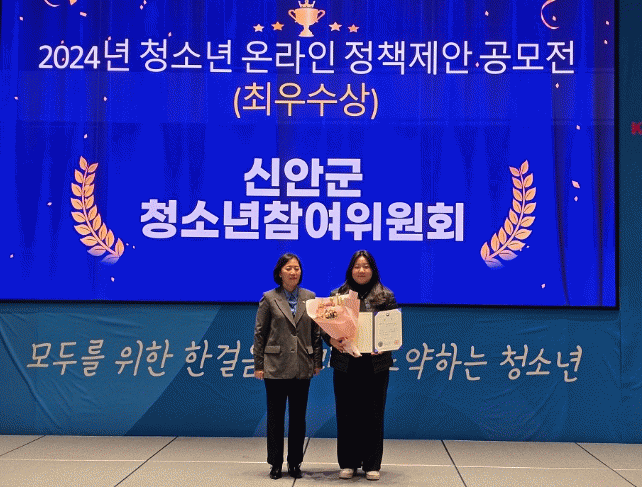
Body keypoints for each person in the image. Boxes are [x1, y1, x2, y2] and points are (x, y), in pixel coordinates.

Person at [324, 250, 397, 482]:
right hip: (346, 363)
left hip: (375, 364)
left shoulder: (386, 296)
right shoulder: (338, 296)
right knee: (346, 413)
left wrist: (386, 343)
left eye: (366, 266)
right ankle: (348, 462)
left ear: (373, 270)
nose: (361, 270)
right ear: (351, 269)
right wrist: (332, 340)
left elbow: (393, 329)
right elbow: (325, 329)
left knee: (374, 414)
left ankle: (372, 464)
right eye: (357, 266)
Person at [254, 253, 323, 480]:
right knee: (275, 418)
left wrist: (317, 361)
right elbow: (260, 333)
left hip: (302, 365)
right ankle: (275, 463)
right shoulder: (269, 298)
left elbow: (316, 333)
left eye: (297, 268)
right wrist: (259, 365)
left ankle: (295, 462)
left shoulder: (310, 297)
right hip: (275, 366)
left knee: (298, 419)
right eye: (289, 268)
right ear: (279, 272)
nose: (293, 272)